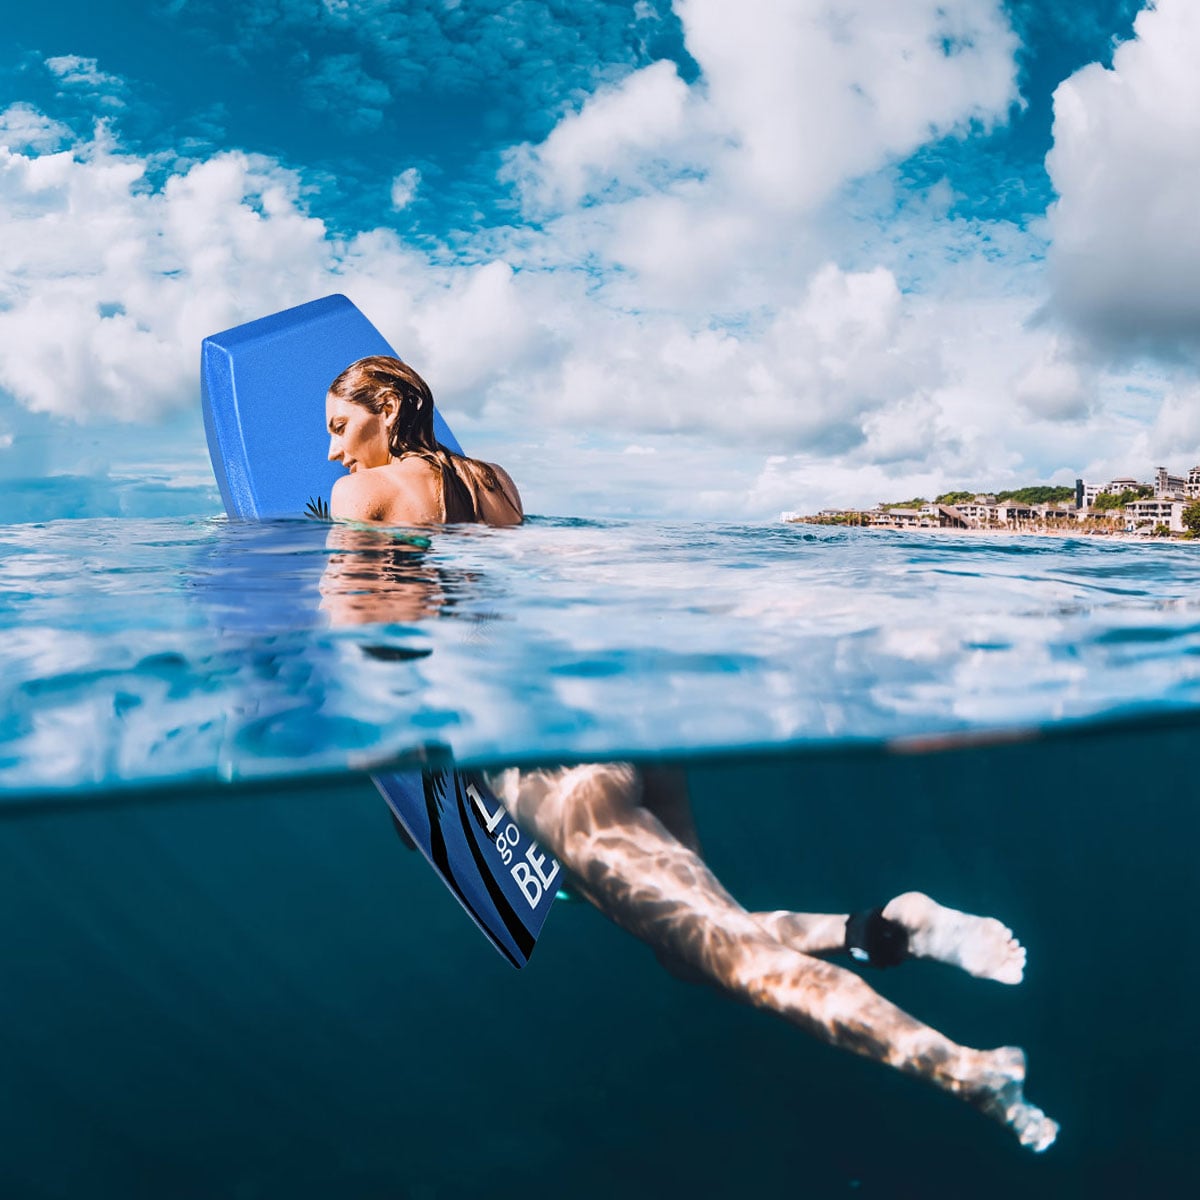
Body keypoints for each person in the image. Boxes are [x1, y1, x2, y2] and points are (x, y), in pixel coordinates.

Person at [322, 355, 1059, 1154]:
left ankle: (967, 1070)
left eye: (338, 427)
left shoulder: (362, 494)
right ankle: (891, 929)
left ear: (387, 408)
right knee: (699, 949)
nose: (332, 452)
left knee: (736, 961)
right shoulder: (492, 479)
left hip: (538, 768)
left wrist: (400, 787)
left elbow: (353, 652)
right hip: (602, 719)